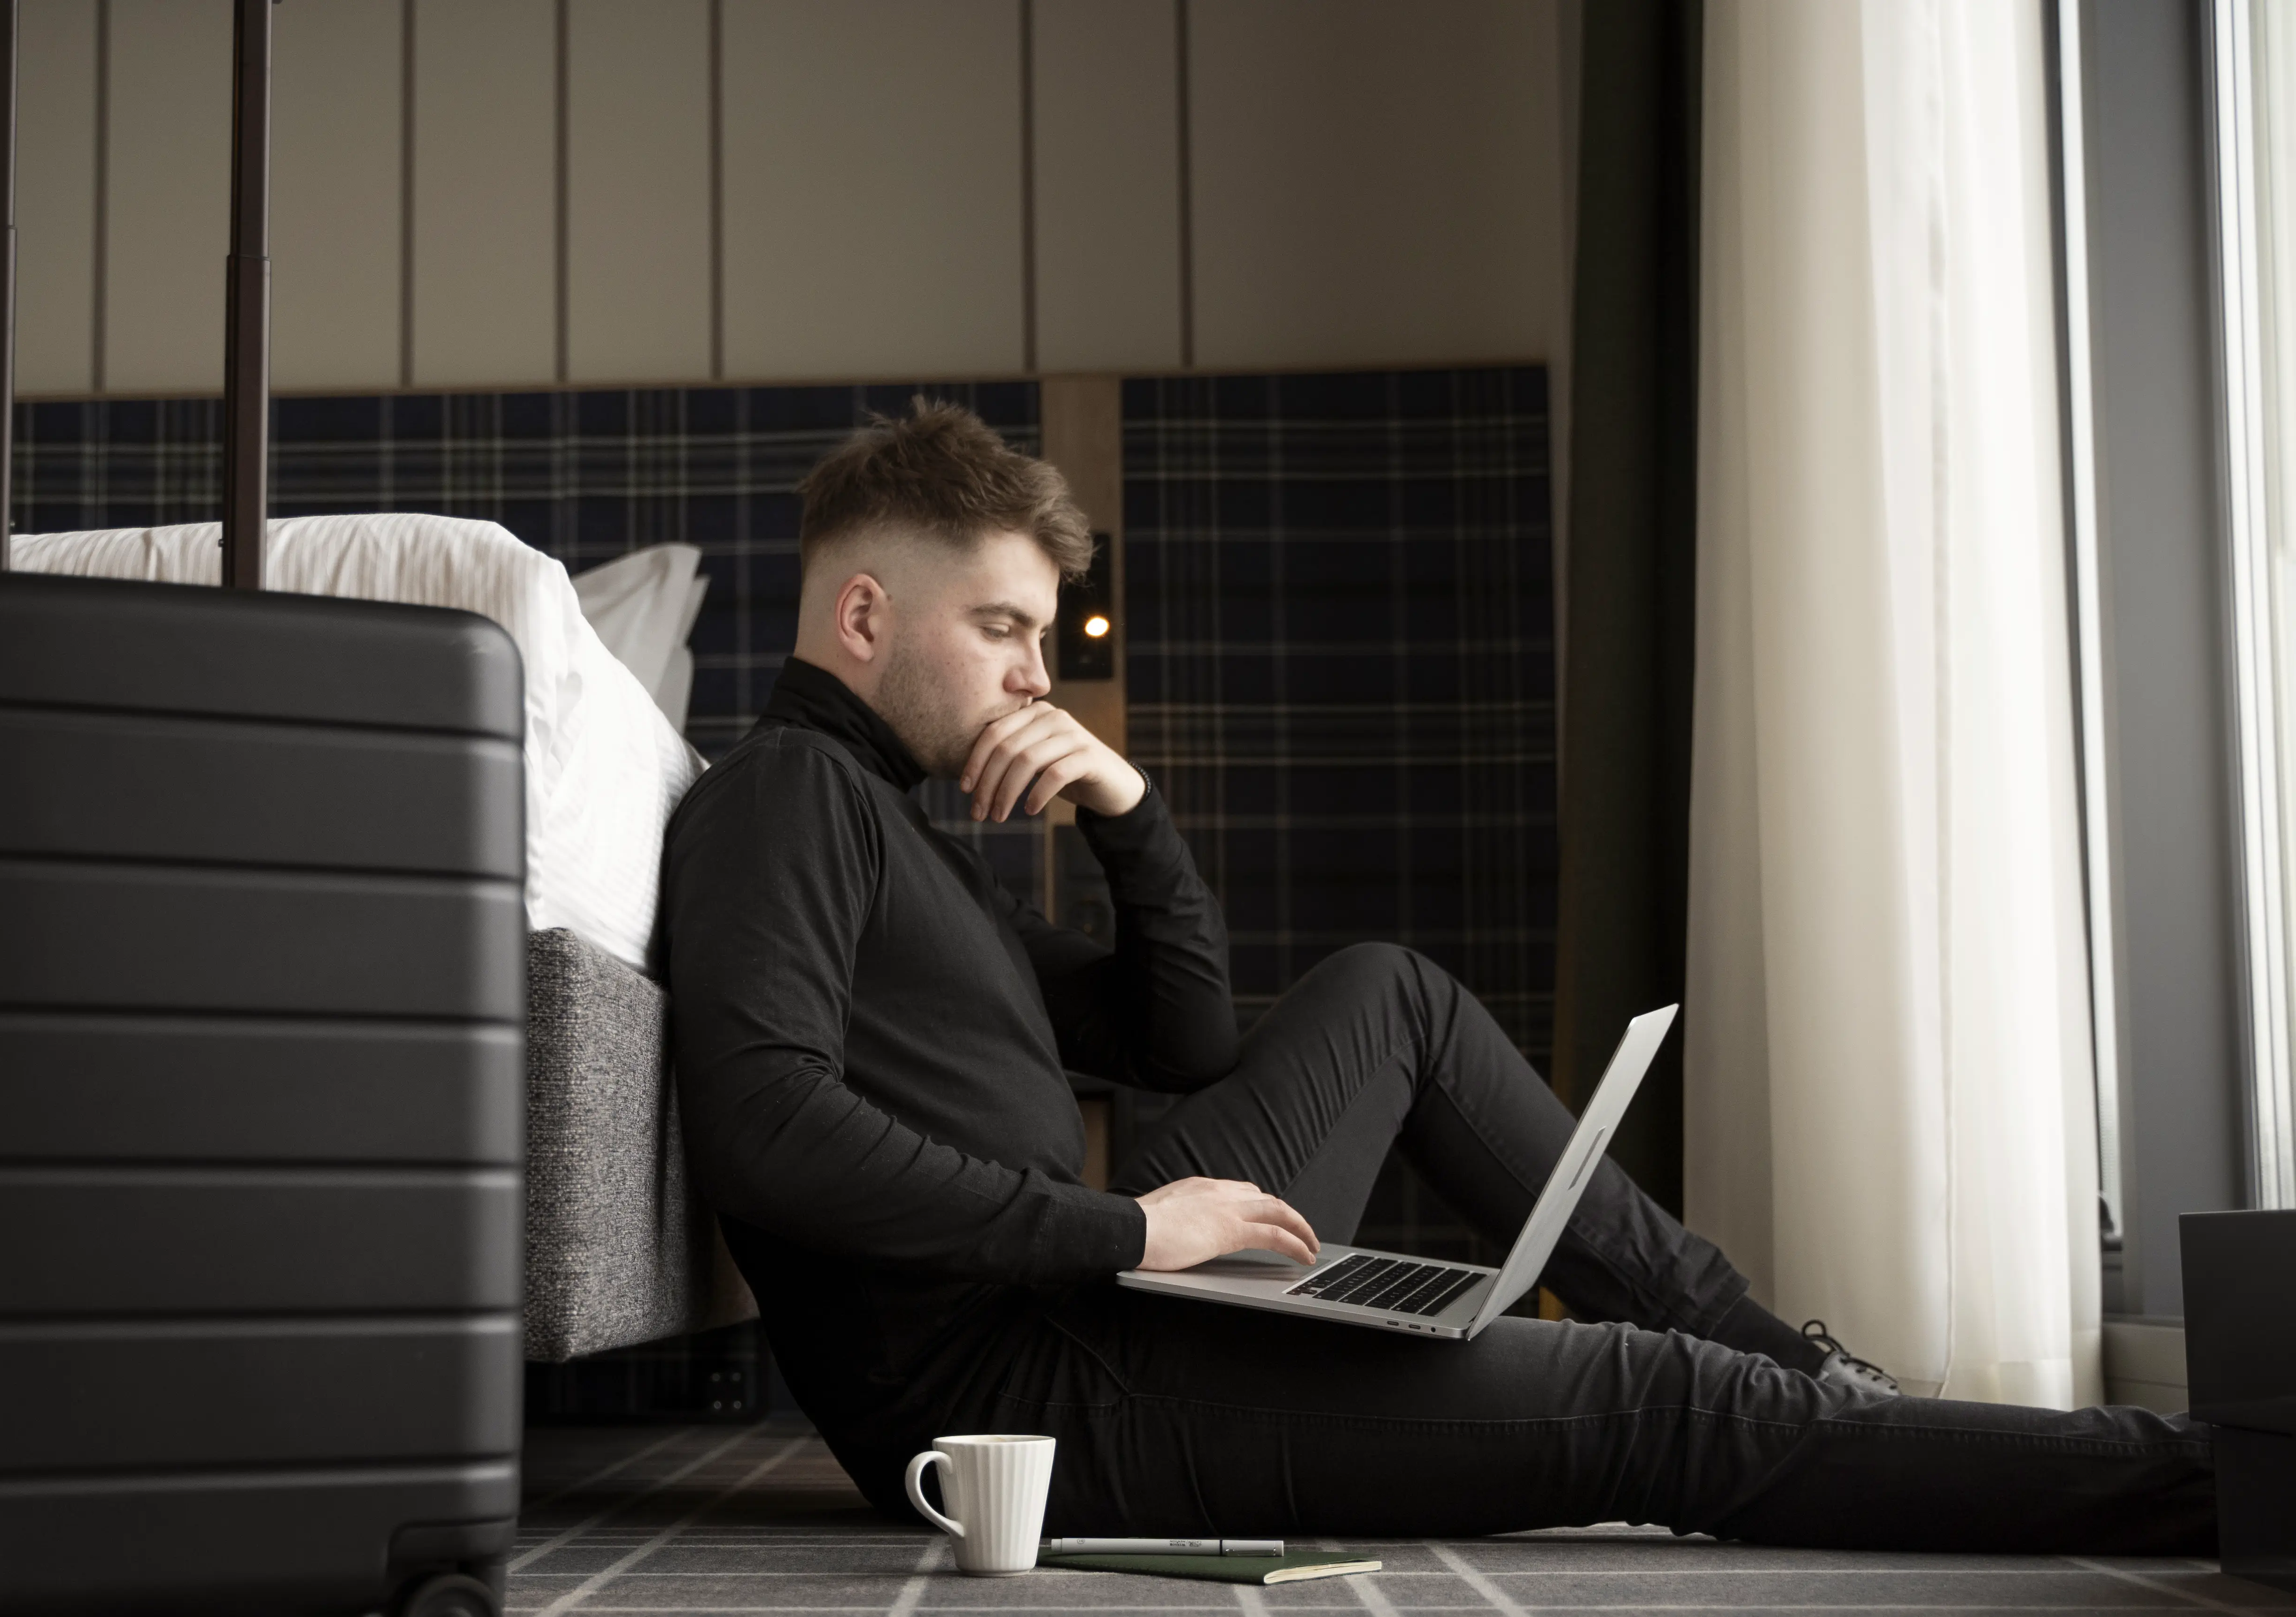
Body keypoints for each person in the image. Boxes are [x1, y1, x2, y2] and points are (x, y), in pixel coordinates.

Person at [654, 401, 2214, 1554]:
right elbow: (764, 1127)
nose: (1035, 677)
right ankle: (2201, 1477)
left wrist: (1131, 820)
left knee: (1388, 992)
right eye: (1003, 628)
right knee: (1665, 1409)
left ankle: (1805, 1367)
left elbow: (1177, 1041)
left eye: (1041, 636)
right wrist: (1130, 1226)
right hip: (1037, 1388)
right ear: (864, 614)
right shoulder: (781, 800)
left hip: (1090, 1289)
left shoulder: (901, 840)